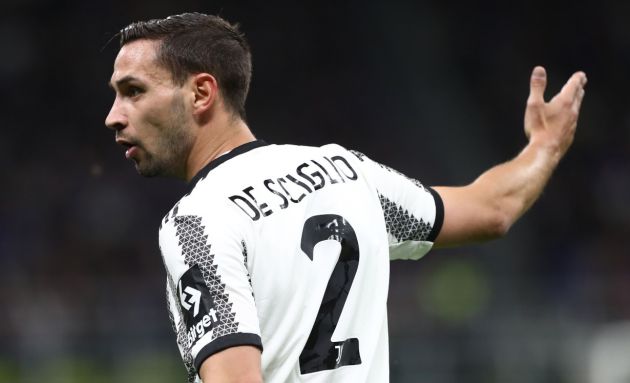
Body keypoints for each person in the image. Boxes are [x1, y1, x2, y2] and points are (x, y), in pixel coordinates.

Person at [105, 12, 587, 383]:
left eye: (133, 91)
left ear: (202, 93)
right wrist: (543, 148)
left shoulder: (197, 222)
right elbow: (491, 210)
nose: (114, 116)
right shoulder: (343, 170)